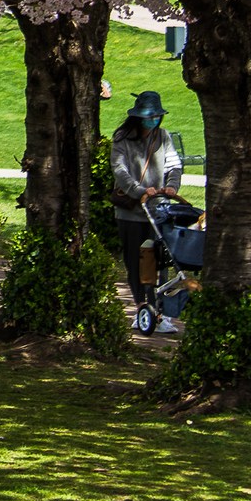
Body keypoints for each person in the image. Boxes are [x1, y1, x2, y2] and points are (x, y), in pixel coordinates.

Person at [109, 90, 184, 333]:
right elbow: (119, 171)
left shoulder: (163, 137)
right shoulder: (122, 138)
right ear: (138, 117)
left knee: (159, 260)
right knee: (135, 260)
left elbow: (174, 165)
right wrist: (139, 190)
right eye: (148, 117)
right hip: (131, 212)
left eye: (156, 117)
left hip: (159, 210)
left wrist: (171, 187)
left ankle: (158, 310)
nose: (152, 121)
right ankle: (142, 306)